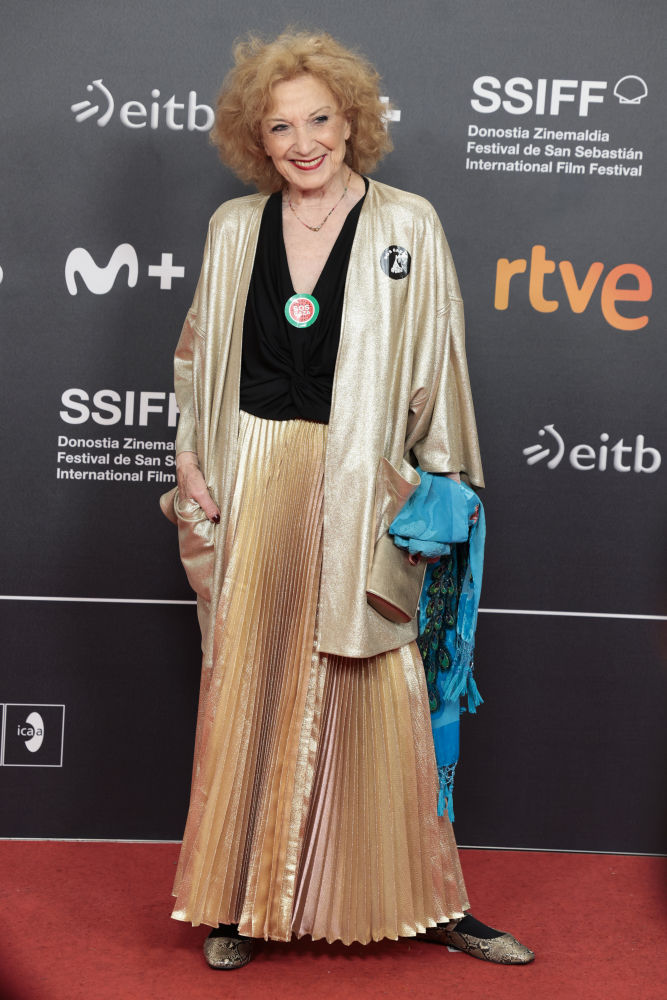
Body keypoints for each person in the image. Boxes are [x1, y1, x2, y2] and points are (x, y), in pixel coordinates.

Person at [160, 29, 533, 970]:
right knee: (248, 682)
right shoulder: (233, 228)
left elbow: (438, 358)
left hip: (365, 481)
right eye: (280, 126)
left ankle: (427, 901)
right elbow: (198, 356)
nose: (304, 142)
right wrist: (190, 458)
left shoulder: (408, 223)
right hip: (252, 475)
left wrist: (440, 487)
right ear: (256, 140)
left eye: (319, 119)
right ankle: (242, 901)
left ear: (351, 120)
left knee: (380, 689)